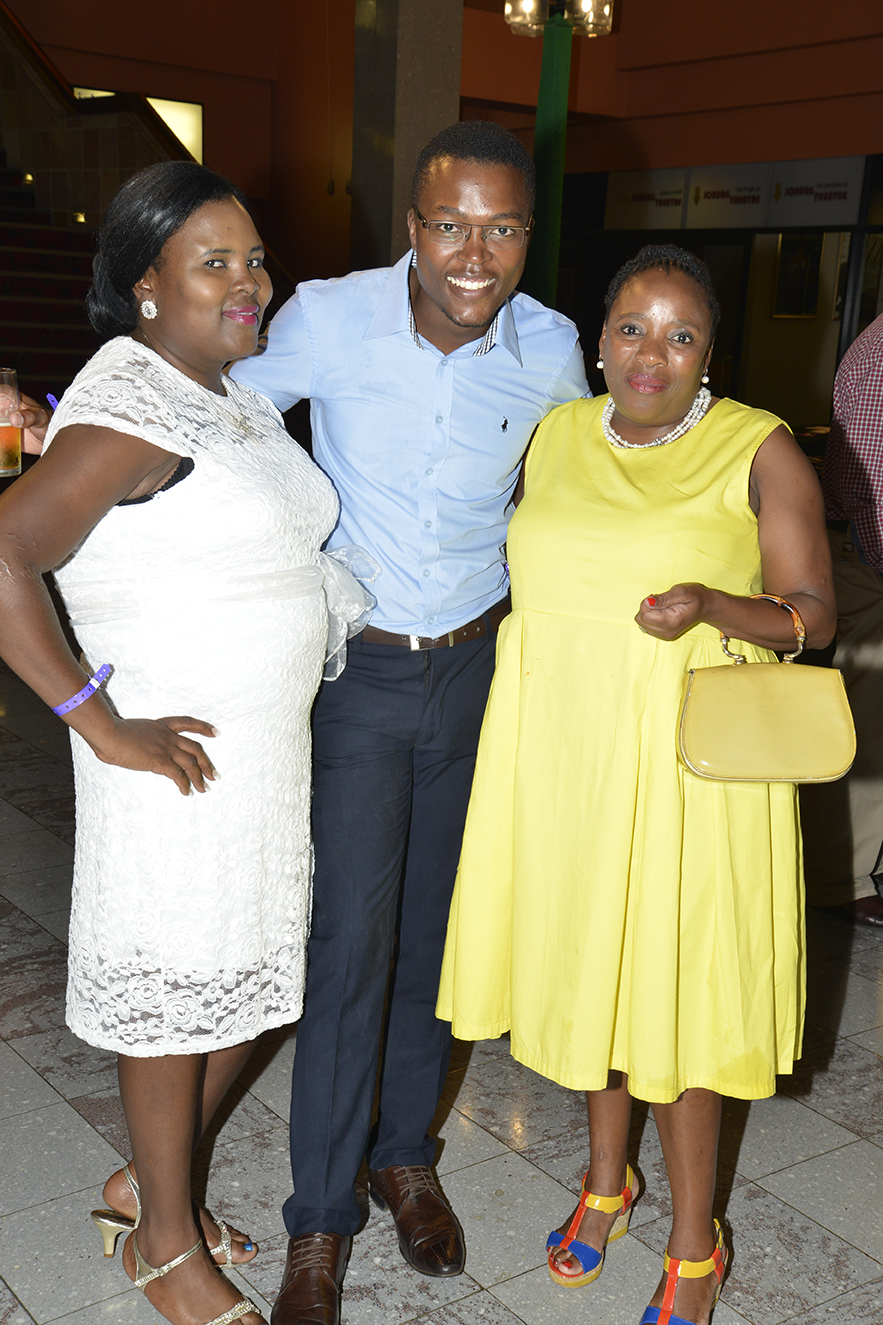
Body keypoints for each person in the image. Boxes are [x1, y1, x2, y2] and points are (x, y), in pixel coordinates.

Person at [230, 120, 589, 1325]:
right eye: (449, 225)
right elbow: (225, 419)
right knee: (349, 946)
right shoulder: (329, 317)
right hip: (362, 674)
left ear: (527, 234)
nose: (473, 254)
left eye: (501, 228)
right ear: (413, 227)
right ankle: (318, 1220)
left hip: (479, 670)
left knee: (437, 936)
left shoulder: (552, 347)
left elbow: (588, 479)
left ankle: (402, 1156)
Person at [0, 161, 370, 1325]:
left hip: (253, 763)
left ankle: (145, 1185)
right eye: (214, 262)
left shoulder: (222, 391)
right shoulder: (134, 406)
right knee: (180, 999)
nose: (248, 280)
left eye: (253, 257)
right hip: (176, 767)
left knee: (252, 988)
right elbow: (5, 550)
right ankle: (164, 1242)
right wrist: (96, 718)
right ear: (145, 284)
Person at [437, 245, 835, 1325]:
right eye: (630, 327)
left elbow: (811, 614)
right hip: (564, 755)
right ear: (599, 337)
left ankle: (695, 1243)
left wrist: (711, 601)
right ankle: (605, 1181)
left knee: (677, 999)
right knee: (592, 974)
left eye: (679, 334)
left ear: (710, 350)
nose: (649, 354)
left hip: (687, 769)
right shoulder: (557, 433)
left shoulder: (756, 447)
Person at [801, 311, 883, 926]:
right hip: (868, 559)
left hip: (866, 552)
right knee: (865, 724)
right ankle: (840, 879)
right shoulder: (878, 355)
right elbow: (871, 492)